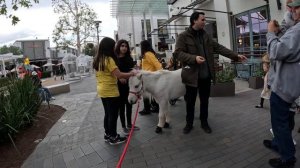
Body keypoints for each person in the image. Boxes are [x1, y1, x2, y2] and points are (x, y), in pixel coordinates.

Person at [175, 12, 247, 134]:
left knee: (205, 101)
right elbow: (177, 54)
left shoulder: (206, 36)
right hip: (192, 77)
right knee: (190, 102)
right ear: (194, 21)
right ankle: (189, 123)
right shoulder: (183, 36)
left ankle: (204, 122)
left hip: (205, 76)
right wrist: (194, 58)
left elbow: (219, 48)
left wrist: (236, 56)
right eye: (202, 19)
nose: (205, 22)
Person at [262, 0, 300, 166]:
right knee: (283, 121)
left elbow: (277, 51)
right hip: (290, 85)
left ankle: (287, 158)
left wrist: (270, 33)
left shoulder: (299, 30)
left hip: (285, 87)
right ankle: (279, 144)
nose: (293, 10)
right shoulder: (295, 28)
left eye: (297, 8)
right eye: (292, 7)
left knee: (280, 123)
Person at [93, 37, 135, 145]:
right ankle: (113, 137)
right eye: (113, 46)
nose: (114, 48)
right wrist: (131, 74)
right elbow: (119, 74)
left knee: (107, 113)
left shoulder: (98, 59)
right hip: (111, 90)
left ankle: (107, 134)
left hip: (101, 90)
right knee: (113, 115)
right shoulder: (109, 59)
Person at [115, 39, 140, 135]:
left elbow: (133, 70)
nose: (124, 48)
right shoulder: (115, 59)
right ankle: (123, 126)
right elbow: (112, 73)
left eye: (126, 46)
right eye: (122, 46)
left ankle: (130, 124)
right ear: (118, 47)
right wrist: (119, 78)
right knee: (121, 107)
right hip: (119, 86)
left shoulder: (129, 58)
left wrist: (135, 71)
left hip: (129, 86)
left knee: (129, 105)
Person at [138, 40, 162, 115]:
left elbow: (157, 65)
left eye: (141, 46)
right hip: (147, 77)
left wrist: (160, 74)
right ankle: (153, 107)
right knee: (149, 94)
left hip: (150, 77)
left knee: (147, 93)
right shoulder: (146, 54)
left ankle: (148, 109)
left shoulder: (148, 54)